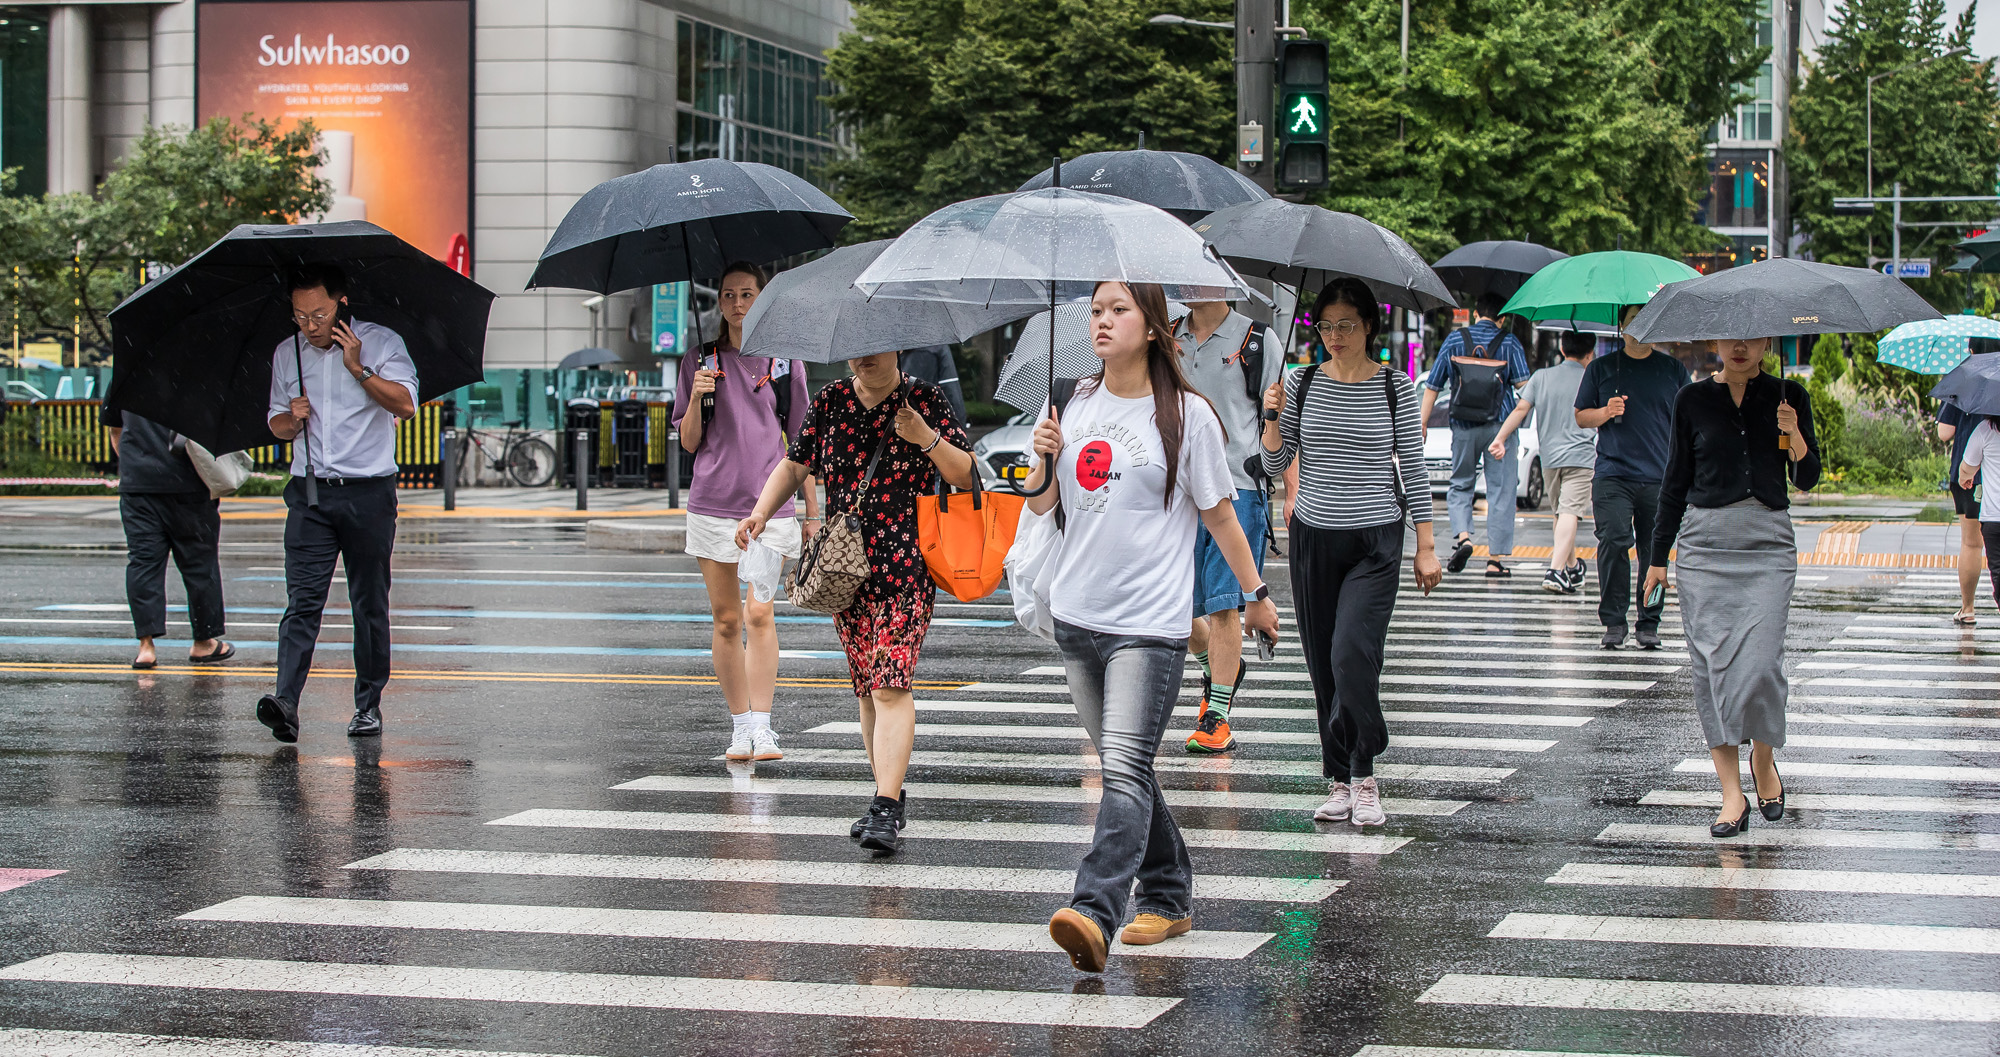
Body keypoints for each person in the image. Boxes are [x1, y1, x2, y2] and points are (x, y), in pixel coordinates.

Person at [1026, 280, 1280, 974]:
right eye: (1097, 310)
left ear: (1151, 324)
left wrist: (1255, 592)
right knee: (1124, 765)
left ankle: (1094, 906)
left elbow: (1220, 513)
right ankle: (1168, 891)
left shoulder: (1188, 415)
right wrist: (1043, 459)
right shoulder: (1070, 401)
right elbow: (1047, 505)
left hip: (1149, 622)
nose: (1102, 321)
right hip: (1077, 613)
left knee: (1128, 766)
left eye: (1118, 310)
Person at [736, 349, 973, 856]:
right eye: (855, 351)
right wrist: (759, 513)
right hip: (845, 570)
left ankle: (885, 807)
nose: (863, 358)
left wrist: (924, 437)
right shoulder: (831, 401)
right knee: (867, 689)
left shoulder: (924, 399)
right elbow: (795, 464)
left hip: (906, 565)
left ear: (897, 349)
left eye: (875, 348)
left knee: (891, 684)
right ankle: (886, 796)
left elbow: (966, 475)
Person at [1261, 278, 1442, 830]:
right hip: (1314, 536)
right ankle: (1341, 779)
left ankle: (1366, 771)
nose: (1334, 336)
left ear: (1369, 327)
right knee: (1323, 668)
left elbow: (1412, 463)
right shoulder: (1302, 382)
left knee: (1352, 655)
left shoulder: (1394, 386)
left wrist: (1426, 544)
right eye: (1326, 326)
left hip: (1376, 540)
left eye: (1346, 325)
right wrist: (1272, 417)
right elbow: (1274, 466)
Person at [1644, 335, 1817, 838]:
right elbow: (1674, 481)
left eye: (1752, 338)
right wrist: (1658, 559)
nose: (1740, 347)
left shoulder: (1788, 396)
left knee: (1762, 664)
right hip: (1703, 548)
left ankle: (1763, 763)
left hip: (1768, 544)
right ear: (1716, 342)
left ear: (1767, 342)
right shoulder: (1691, 400)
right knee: (1712, 669)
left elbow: (1807, 477)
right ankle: (1730, 794)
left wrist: (1796, 435)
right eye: (1730, 337)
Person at [256, 264, 418, 743]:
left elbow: (406, 405)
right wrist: (290, 418)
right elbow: (274, 423)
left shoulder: (382, 342)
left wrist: (359, 369)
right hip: (310, 494)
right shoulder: (288, 354)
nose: (310, 326)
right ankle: (286, 702)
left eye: (319, 314)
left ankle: (368, 705)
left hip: (369, 493)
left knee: (368, 603)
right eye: (300, 316)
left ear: (341, 303)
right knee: (302, 602)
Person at [676, 262, 816, 762]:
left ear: (762, 299)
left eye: (748, 294)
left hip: (768, 511)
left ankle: (763, 726)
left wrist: (812, 511)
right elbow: (690, 442)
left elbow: (804, 445)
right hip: (711, 505)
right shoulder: (699, 360)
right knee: (726, 621)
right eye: (729, 294)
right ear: (719, 303)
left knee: (759, 613)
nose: (738, 303)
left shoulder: (782, 362)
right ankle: (738, 727)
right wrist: (696, 395)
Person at [1173, 296, 1283, 754]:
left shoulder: (1257, 339)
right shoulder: (1167, 334)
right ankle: (1223, 668)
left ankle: (1216, 714)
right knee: (1175, 607)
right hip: (1175, 488)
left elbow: (1279, 424)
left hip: (1236, 486)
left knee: (1222, 605)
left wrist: (1289, 490)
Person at [1575, 305, 1687, 649]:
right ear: (1620, 326)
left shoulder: (1673, 370)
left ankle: (1649, 622)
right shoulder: (1601, 368)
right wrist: (1606, 412)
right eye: (1632, 319)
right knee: (1613, 543)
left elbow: (1688, 422)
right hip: (1613, 474)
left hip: (1660, 477)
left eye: (1646, 319)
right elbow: (1581, 417)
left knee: (1655, 550)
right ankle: (1613, 622)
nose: (1638, 326)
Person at [102, 407, 233, 670]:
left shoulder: (127, 374)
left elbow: (116, 430)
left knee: (143, 562)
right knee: (199, 563)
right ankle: (204, 641)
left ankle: (146, 646)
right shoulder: (193, 374)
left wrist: (140, 464)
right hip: (189, 481)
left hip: (139, 485)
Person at [1419, 292, 1530, 578]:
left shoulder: (1456, 340)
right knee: (1501, 490)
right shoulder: (1510, 341)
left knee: (1461, 484)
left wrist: (1422, 423)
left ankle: (1464, 538)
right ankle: (1494, 561)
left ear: (1476, 313)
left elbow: (1433, 385)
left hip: (1463, 425)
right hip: (1500, 430)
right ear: (1502, 318)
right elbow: (1525, 389)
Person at [1490, 330, 1598, 594]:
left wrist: (1500, 438)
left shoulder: (1541, 377)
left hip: (1550, 458)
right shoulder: (1593, 378)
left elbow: (1520, 410)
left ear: (1562, 349)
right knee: (1570, 512)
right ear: (1590, 353)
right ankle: (1555, 571)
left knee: (1561, 513)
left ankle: (1572, 566)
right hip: (1581, 456)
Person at [1939, 401, 1984, 625]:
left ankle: (1968, 608)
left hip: (1970, 477)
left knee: (1972, 544)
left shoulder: (1965, 381)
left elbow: (1944, 432)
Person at [1959, 416, 2000, 612]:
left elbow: (1967, 467)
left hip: (1994, 518)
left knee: (1998, 573)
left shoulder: (1985, 430)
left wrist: (1964, 478)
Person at [898, 346, 967, 433]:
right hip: (930, 425)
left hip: (898, 420)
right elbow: (951, 390)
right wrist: (960, 427)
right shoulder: (937, 346)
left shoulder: (890, 349)